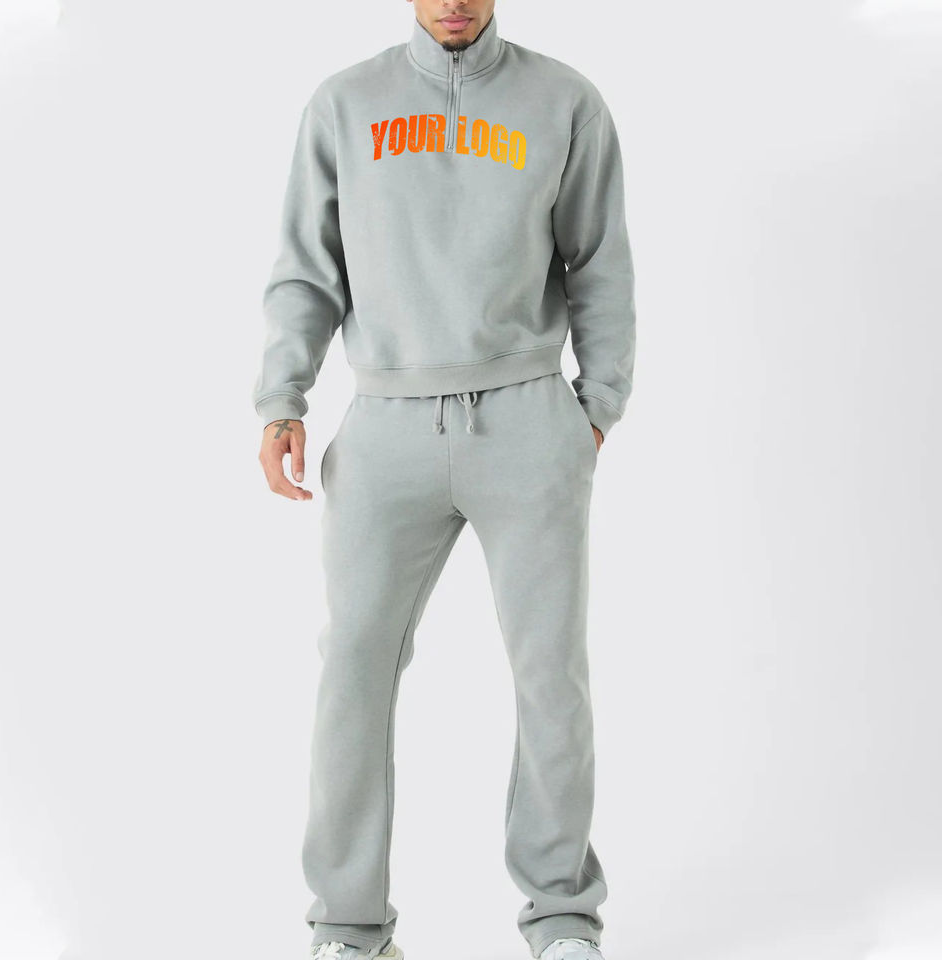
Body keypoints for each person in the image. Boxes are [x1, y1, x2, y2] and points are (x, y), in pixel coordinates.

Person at [253, 2, 637, 959]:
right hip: (385, 424)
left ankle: (562, 918)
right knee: (354, 670)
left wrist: (596, 407)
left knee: (550, 675)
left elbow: (599, 261)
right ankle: (348, 927)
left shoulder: (566, 101)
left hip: (527, 418)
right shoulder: (344, 104)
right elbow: (307, 267)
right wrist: (283, 398)